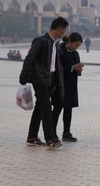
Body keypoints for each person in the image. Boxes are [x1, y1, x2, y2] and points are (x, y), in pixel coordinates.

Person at [19, 17, 68, 150]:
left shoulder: (54, 43)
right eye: (64, 30)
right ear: (59, 29)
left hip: (49, 80)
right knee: (47, 108)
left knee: (40, 108)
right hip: (39, 79)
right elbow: (30, 59)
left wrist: (57, 81)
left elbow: (54, 64)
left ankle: (32, 136)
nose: (64, 33)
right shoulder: (41, 41)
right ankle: (50, 139)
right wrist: (24, 77)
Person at [52, 33, 84, 142]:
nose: (76, 48)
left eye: (78, 46)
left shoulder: (75, 54)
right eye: (75, 45)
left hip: (71, 85)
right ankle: (52, 133)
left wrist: (79, 70)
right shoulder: (59, 50)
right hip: (60, 85)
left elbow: (76, 67)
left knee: (68, 109)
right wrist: (71, 68)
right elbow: (56, 67)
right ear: (69, 41)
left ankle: (66, 132)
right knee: (57, 108)